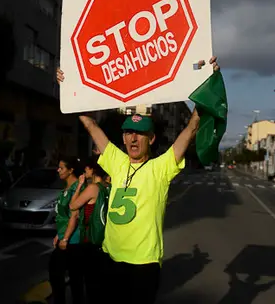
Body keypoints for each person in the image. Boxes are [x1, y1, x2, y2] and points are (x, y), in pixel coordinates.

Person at [56, 56, 220, 303]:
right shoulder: (115, 160)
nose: (133, 139)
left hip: (143, 265)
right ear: (123, 138)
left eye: (140, 134)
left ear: (151, 139)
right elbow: (89, 124)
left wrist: (208, 83)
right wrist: (69, 88)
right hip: (109, 259)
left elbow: (191, 128)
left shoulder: (161, 167)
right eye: (129, 133)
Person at [69, 158, 110, 302]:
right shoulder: (108, 186)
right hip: (105, 239)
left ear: (93, 170)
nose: (84, 171)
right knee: (101, 283)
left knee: (90, 282)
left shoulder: (93, 188)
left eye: (87, 168)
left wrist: (79, 185)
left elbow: (73, 205)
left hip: (90, 239)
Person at [49, 157, 85, 304]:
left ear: (71, 170)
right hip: (66, 237)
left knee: (59, 273)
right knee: (71, 276)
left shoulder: (78, 187)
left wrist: (65, 238)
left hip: (73, 240)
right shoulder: (67, 188)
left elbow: (74, 215)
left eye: (61, 168)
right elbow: (63, 215)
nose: (58, 170)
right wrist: (59, 234)